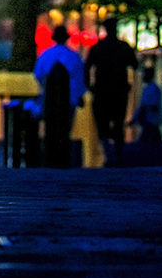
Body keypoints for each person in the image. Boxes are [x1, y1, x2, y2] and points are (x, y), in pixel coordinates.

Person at [85, 17, 137, 164]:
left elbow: (87, 66)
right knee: (118, 121)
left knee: (103, 123)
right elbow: (134, 64)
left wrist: (89, 85)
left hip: (102, 91)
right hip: (119, 90)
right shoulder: (123, 47)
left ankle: (108, 153)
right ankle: (118, 155)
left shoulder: (98, 47)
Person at [34, 24, 86, 168]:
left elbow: (38, 75)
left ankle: (50, 157)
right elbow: (80, 79)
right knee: (66, 128)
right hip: (70, 100)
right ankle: (63, 157)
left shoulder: (46, 55)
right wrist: (79, 97)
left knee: (51, 127)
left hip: (49, 99)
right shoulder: (74, 56)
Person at [131, 63, 162, 143]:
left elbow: (152, 106)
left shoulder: (154, 89)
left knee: (148, 142)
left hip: (151, 121)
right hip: (148, 122)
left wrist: (143, 112)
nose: (143, 77)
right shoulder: (147, 89)